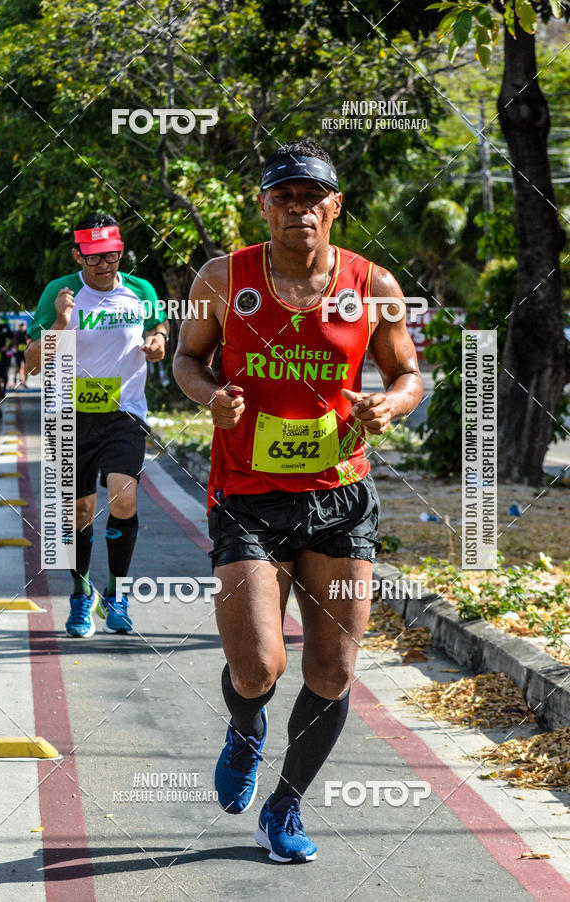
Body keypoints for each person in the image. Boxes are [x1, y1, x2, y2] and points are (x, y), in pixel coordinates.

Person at [173, 139, 423, 863]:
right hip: (248, 498)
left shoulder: (372, 285)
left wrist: (391, 406)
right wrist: (210, 396)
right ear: (264, 206)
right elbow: (188, 360)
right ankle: (246, 728)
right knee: (256, 668)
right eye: (284, 197)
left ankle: (284, 809)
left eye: (312, 197)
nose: (298, 210)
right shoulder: (222, 280)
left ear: (334, 206)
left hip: (341, 498)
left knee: (333, 671)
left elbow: (408, 371)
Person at [25, 212, 169, 638]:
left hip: (125, 413)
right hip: (68, 415)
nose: (104, 265)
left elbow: (159, 324)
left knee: (123, 499)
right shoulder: (60, 292)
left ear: (121, 251)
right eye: (94, 258)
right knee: (79, 513)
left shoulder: (140, 289)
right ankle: (80, 593)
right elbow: (33, 364)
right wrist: (61, 324)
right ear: (77, 255)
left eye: (111, 256)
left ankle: (117, 595)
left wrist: (160, 340)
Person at [13, 321, 29, 387]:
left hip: (26, 353)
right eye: (21, 325)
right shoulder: (17, 333)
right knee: (18, 368)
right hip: (18, 353)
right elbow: (13, 342)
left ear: (25, 326)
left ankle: (24, 382)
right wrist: (15, 348)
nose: (22, 327)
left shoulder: (28, 333)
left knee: (26, 368)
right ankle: (15, 380)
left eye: (23, 325)